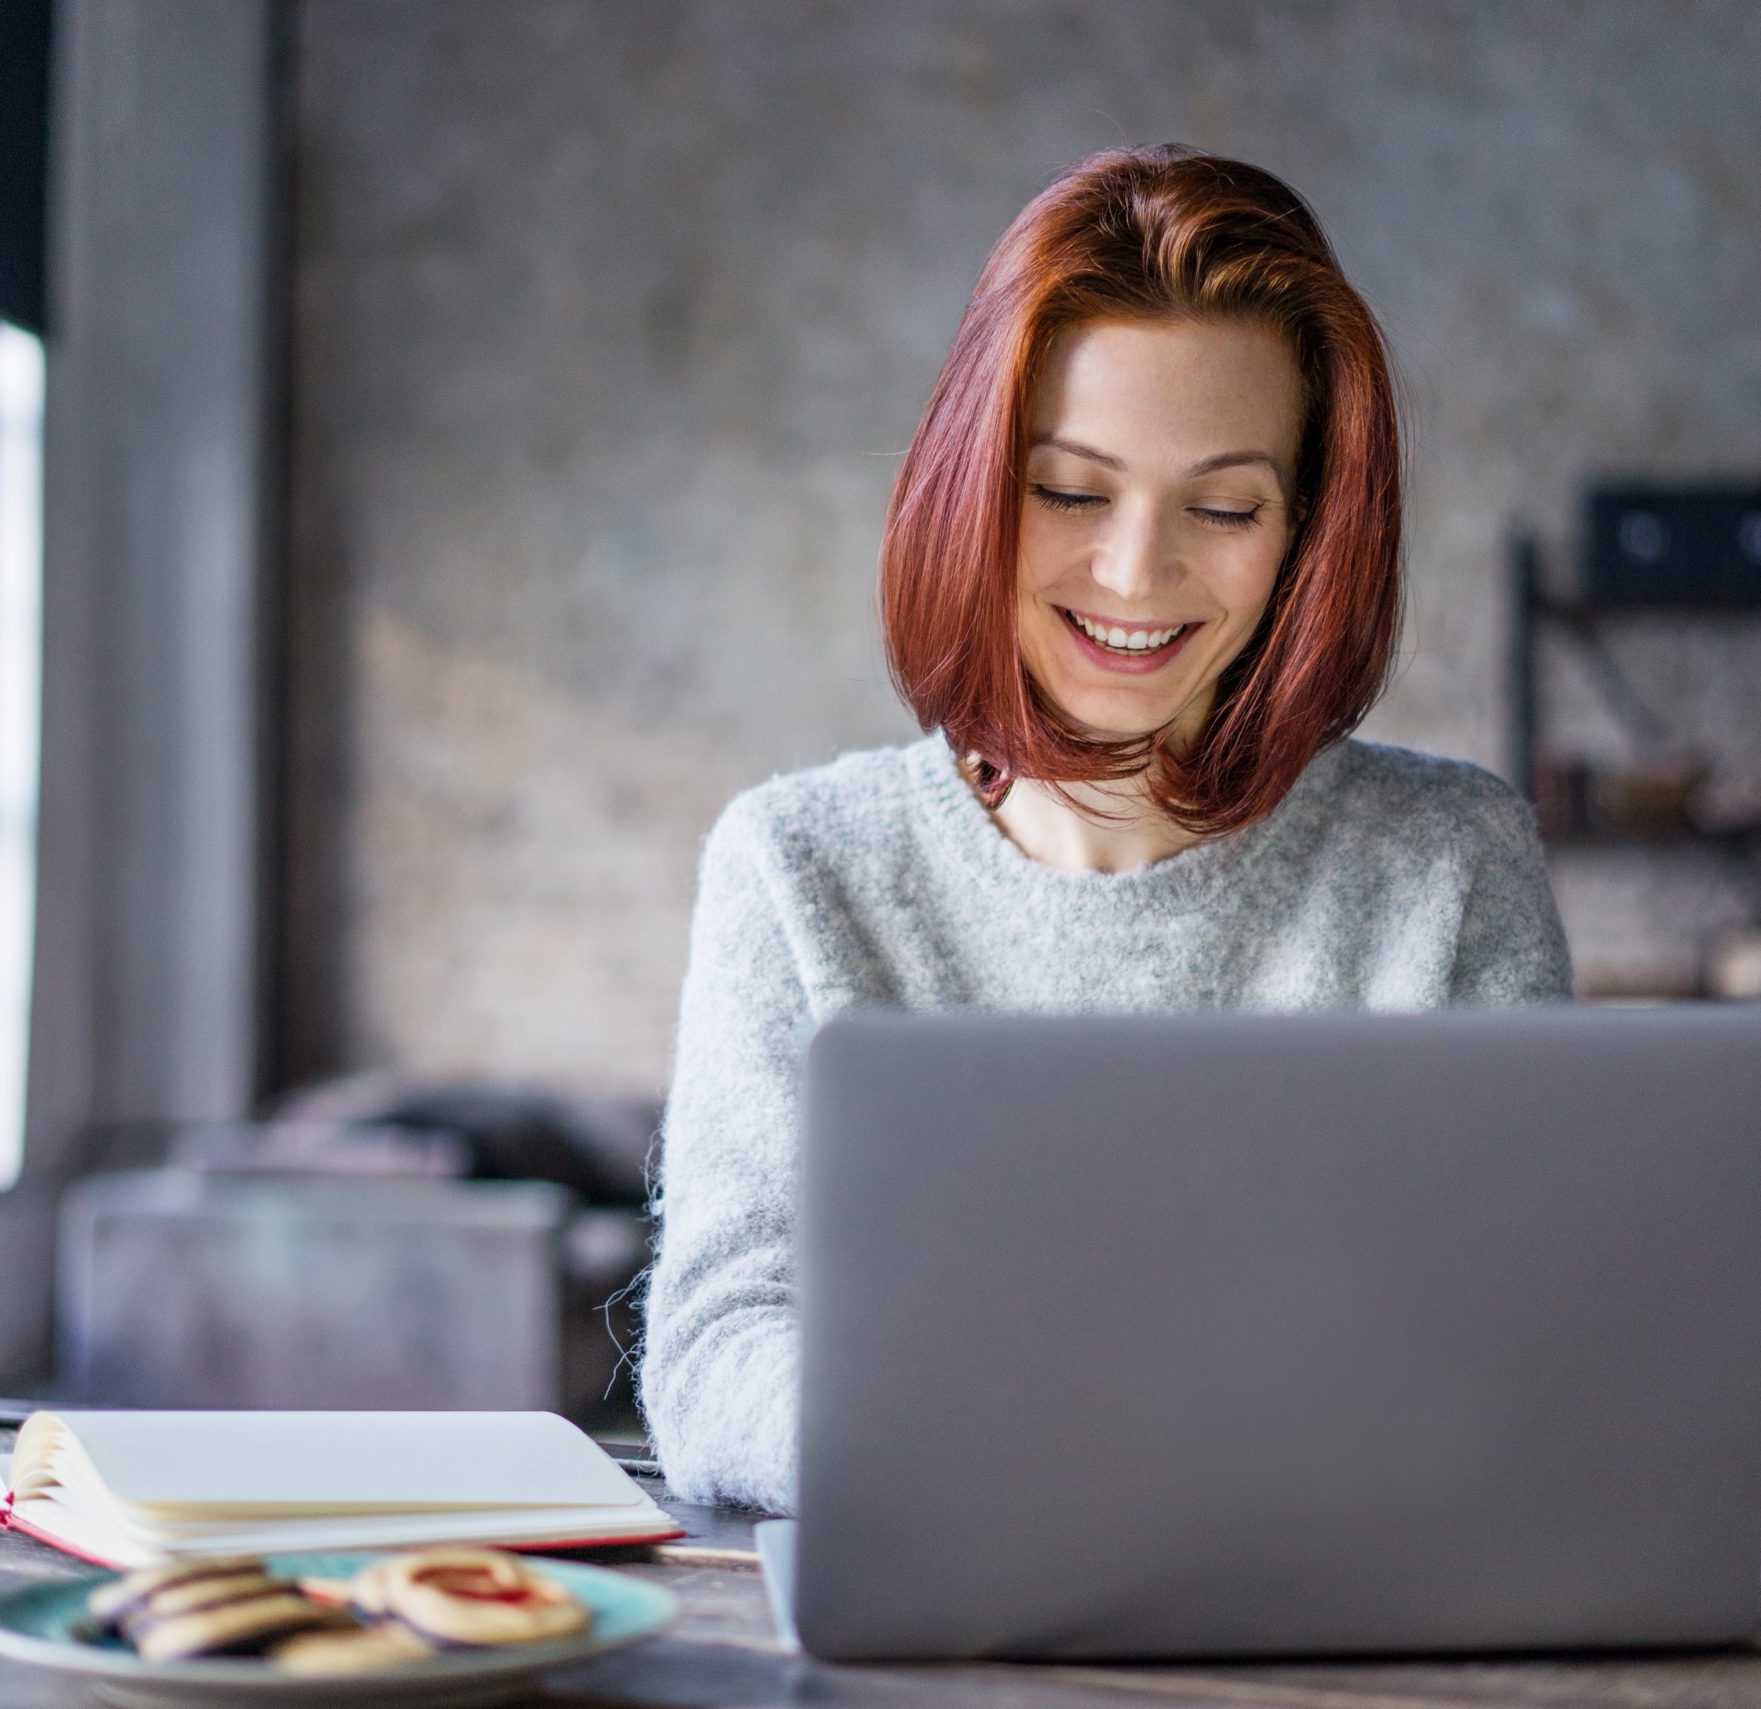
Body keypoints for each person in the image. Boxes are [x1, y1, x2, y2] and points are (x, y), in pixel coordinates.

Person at [639, 145, 1571, 1515]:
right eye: (1071, 490)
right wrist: (978, 1459)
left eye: (1225, 506)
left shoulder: (1448, 868)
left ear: (1310, 530)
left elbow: (1532, 1352)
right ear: (973, 484)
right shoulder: (799, 868)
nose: (1137, 571)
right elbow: (723, 1344)